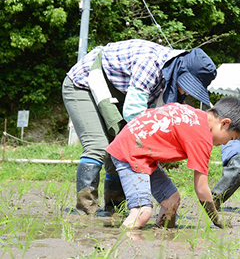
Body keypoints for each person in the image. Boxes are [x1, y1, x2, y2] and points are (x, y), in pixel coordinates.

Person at [62, 39, 217, 215]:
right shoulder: (151, 63)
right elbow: (134, 114)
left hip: (118, 95)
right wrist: (150, 151)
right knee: (98, 146)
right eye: (188, 86)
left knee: (118, 151)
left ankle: (113, 211)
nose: (187, 92)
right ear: (180, 71)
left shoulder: (170, 81)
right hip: (84, 84)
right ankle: (85, 212)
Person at [106, 96, 240, 229]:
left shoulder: (196, 116)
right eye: (231, 138)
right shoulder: (202, 136)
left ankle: (162, 237)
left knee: (171, 200)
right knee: (142, 212)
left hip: (140, 150)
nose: (225, 143)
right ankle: (120, 245)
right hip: (131, 152)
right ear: (225, 124)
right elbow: (201, 189)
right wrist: (217, 219)